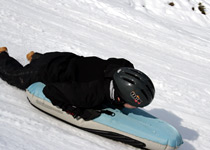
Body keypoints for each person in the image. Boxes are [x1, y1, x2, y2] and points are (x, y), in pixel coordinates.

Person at [0, 47, 155, 120]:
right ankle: (2, 55)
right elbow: (51, 91)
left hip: (64, 58)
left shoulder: (120, 68)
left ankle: (35, 57)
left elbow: (122, 62)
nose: (135, 108)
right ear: (120, 97)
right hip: (45, 71)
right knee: (13, 76)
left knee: (66, 67)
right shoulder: (90, 95)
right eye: (134, 104)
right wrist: (77, 111)